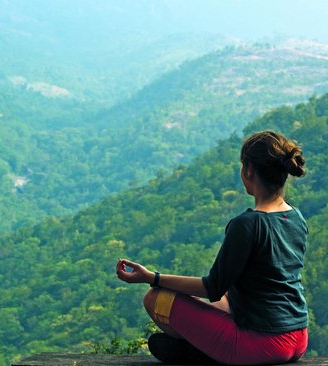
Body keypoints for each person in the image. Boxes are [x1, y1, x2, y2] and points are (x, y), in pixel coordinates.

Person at [116, 130, 309, 365]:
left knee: (156, 298)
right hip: (298, 337)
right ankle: (206, 348)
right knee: (228, 295)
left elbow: (212, 287)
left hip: (262, 344)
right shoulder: (296, 217)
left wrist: (152, 277)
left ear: (248, 171)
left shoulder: (247, 225)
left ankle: (201, 352)